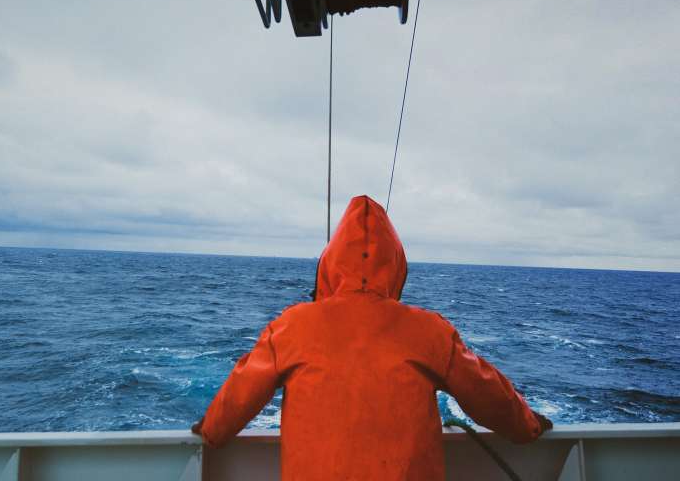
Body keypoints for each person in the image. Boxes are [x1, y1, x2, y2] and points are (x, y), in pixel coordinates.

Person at [192, 194, 552, 480]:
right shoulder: (429, 330)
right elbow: (486, 392)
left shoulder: (292, 325)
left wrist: (211, 431)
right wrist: (528, 426)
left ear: (329, 264)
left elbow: (242, 392)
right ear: (396, 265)